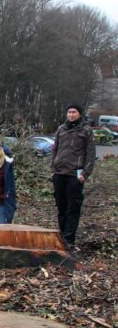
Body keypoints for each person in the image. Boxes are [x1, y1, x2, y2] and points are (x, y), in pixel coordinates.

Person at [51, 103, 95, 251]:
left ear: (80, 114)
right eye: (69, 112)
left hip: (75, 176)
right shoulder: (61, 129)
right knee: (61, 207)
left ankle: (69, 239)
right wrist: (53, 168)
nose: (71, 115)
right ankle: (61, 236)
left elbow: (91, 154)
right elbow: (54, 149)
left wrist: (85, 174)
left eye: (74, 112)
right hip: (59, 174)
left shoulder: (86, 131)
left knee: (73, 208)